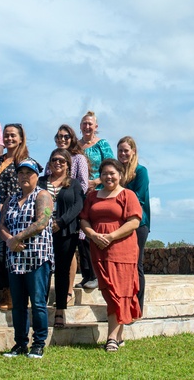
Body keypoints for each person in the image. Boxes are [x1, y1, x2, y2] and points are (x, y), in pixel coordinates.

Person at [79, 158, 142, 352]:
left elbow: (134, 222)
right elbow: (84, 219)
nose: (108, 177)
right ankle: (119, 336)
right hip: (98, 248)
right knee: (109, 291)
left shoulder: (127, 195)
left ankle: (112, 337)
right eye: (105, 173)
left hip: (122, 250)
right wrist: (93, 235)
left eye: (112, 173)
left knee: (119, 292)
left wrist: (111, 236)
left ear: (120, 175)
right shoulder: (92, 196)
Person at [0, 159, 54, 359]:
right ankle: (20, 343)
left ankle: (38, 343)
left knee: (38, 302)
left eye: (28, 173)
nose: (24, 176)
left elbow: (41, 222)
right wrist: (9, 241)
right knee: (19, 304)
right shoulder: (11, 199)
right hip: (15, 259)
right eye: (21, 173)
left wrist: (18, 238)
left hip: (37, 257)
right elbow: (2, 225)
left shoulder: (42, 195)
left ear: (36, 175)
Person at [0, 123, 26, 307]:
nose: (9, 139)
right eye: (6, 135)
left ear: (21, 139)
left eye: (13, 136)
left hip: (12, 214)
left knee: (5, 252)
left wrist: (5, 204)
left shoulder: (24, 162)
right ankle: (0, 286)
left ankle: (10, 292)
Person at [44, 148, 84, 327]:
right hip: (43, 233)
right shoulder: (41, 181)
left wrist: (60, 222)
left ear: (68, 164)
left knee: (62, 272)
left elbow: (78, 205)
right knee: (43, 271)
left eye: (62, 160)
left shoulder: (73, 184)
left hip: (66, 232)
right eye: (54, 160)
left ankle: (60, 310)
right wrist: (44, 222)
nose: (57, 163)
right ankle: (41, 309)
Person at [53, 124, 93, 290]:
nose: (62, 139)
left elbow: (83, 183)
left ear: (72, 139)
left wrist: (71, 196)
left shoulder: (78, 159)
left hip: (73, 207)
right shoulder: (55, 158)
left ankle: (70, 288)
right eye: (59, 136)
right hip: (56, 208)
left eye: (66, 136)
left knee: (73, 246)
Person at [117, 136, 151, 314]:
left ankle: (137, 307)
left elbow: (138, 197)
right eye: (120, 151)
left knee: (136, 265)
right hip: (120, 224)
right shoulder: (116, 173)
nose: (123, 154)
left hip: (138, 224)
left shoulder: (140, 172)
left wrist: (117, 197)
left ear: (133, 152)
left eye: (126, 150)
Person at [80, 110, 114, 186]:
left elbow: (112, 166)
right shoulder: (74, 146)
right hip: (79, 190)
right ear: (80, 126)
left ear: (96, 127)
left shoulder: (102, 144)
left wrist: (96, 182)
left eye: (90, 124)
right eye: (84, 123)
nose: (87, 126)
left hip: (100, 189)